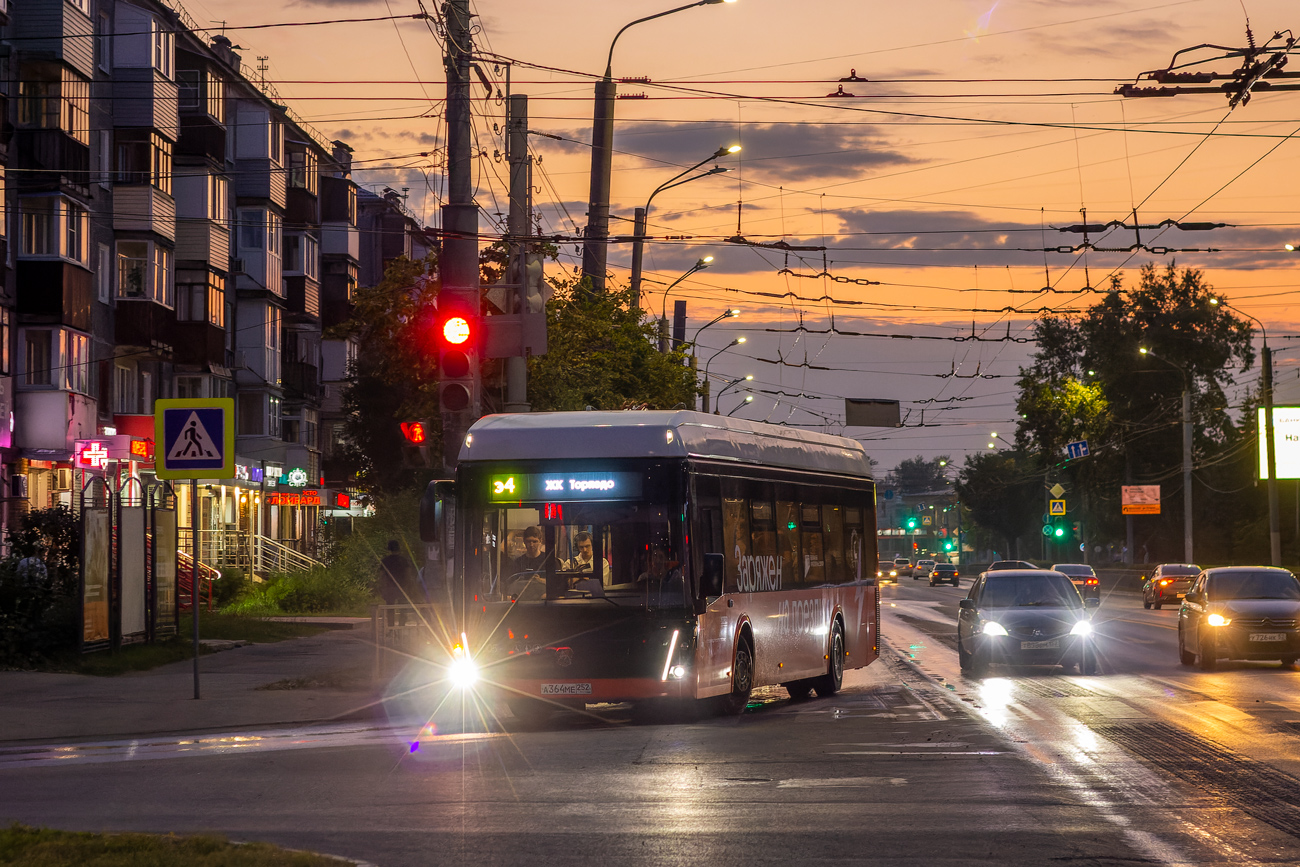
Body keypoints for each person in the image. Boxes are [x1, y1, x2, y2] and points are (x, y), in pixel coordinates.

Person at [378, 540, 421, 626]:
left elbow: (382, 576)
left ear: (389, 549)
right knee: (403, 609)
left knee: (390, 609)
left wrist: (383, 588)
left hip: (390, 588)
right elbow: (408, 575)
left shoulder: (385, 560)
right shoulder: (403, 560)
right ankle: (401, 626)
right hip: (402, 587)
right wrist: (409, 588)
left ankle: (391, 627)